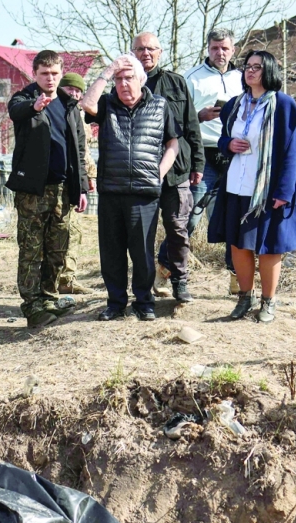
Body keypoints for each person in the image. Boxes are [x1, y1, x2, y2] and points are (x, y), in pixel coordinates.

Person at [81, 54, 180, 322]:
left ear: (141, 79)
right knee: (111, 253)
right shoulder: (106, 104)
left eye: (129, 78)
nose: (123, 84)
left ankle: (144, 302)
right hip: (111, 191)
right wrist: (106, 71)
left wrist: (159, 172)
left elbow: (173, 143)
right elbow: (86, 104)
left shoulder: (160, 105)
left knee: (142, 254)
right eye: (118, 79)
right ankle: (115, 303)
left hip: (144, 194)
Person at [209, 51, 296, 324]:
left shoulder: (283, 105)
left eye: (257, 67)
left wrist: (284, 193)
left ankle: (268, 302)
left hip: (268, 189)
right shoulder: (235, 105)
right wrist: (228, 144)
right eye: (247, 67)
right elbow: (222, 140)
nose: (250, 72)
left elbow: (290, 153)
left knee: (269, 247)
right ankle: (244, 298)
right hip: (237, 184)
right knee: (238, 244)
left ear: (269, 71)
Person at [7, 50, 89, 328]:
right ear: (35, 74)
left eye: (55, 73)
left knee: (58, 248)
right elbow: (15, 111)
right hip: (33, 191)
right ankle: (32, 305)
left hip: (64, 190)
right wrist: (36, 107)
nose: (50, 79)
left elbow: (78, 149)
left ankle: (49, 297)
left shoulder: (69, 103)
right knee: (31, 249)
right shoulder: (24, 98)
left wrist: (82, 188)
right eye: (44, 74)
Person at [131, 32, 204, 304]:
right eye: (140, 49)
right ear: (132, 52)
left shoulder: (176, 82)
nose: (145, 54)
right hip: (140, 173)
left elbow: (192, 125)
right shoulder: (126, 84)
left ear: (159, 52)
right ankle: (144, 287)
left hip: (177, 173)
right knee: (142, 235)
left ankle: (179, 281)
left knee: (177, 229)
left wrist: (198, 162)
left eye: (150, 49)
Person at [183, 28, 244, 294]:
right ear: (207, 48)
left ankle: (237, 278)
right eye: (215, 48)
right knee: (189, 217)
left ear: (233, 50)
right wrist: (200, 115)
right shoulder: (191, 78)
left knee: (235, 219)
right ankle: (166, 270)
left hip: (236, 156)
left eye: (225, 48)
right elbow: (177, 120)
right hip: (203, 155)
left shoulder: (244, 78)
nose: (220, 53)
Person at [55, 72, 97, 296]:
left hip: (79, 179)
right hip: (64, 180)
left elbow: (85, 152)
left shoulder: (79, 113)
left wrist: (90, 177)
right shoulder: (59, 111)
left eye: (78, 90)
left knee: (75, 231)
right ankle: (60, 278)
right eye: (70, 88)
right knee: (65, 231)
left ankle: (68, 277)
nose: (74, 93)